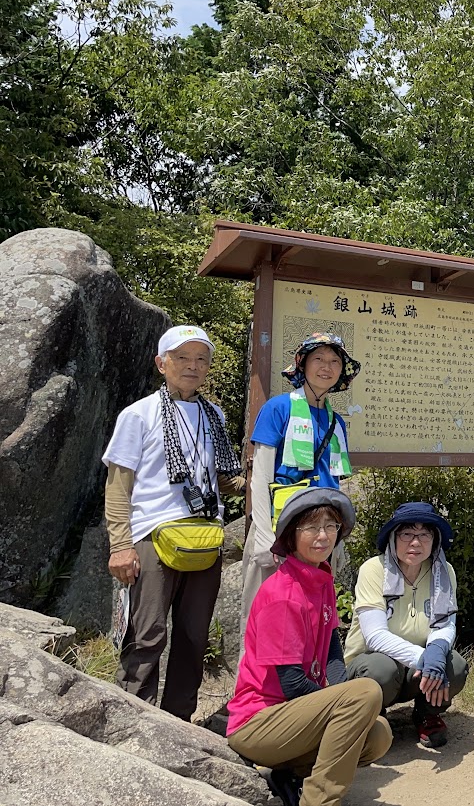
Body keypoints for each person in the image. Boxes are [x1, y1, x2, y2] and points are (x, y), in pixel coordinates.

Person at [103, 325, 244, 720]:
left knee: (193, 637)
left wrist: (264, 477)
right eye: (182, 357)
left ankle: (178, 723)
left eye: (201, 359)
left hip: (204, 536)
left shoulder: (212, 414)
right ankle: (133, 721)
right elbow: (118, 486)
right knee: (147, 634)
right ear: (161, 363)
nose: (193, 366)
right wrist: (120, 545)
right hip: (153, 535)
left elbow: (223, 479)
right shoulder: (139, 415)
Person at [227, 487, 391, 806]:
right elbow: (290, 684)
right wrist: (347, 703)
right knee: (365, 693)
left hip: (291, 719)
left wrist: (351, 706)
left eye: (330, 527)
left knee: (377, 733)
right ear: (292, 535)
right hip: (258, 722)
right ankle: (319, 801)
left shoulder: (321, 579)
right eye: (312, 527)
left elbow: (332, 654)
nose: (323, 536)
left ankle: (291, 775)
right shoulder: (283, 594)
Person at [241, 333, 361, 637]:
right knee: (264, 613)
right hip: (281, 525)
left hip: (322, 530)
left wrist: (340, 537)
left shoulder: (337, 422)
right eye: (318, 359)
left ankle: (308, 683)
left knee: (311, 613)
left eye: (335, 361)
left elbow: (335, 482)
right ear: (302, 365)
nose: (327, 366)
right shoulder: (278, 408)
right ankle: (257, 684)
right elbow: (261, 473)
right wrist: (266, 535)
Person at [344, 502, 468, 748]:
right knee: (381, 669)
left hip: (416, 673)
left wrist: (436, 653)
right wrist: (425, 658)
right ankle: (371, 715)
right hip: (373, 665)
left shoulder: (444, 571)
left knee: (454, 665)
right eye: (407, 533)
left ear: (435, 540)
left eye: (424, 534)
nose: (415, 542)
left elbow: (444, 624)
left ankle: (426, 714)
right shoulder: (373, 569)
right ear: (393, 537)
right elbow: (375, 636)